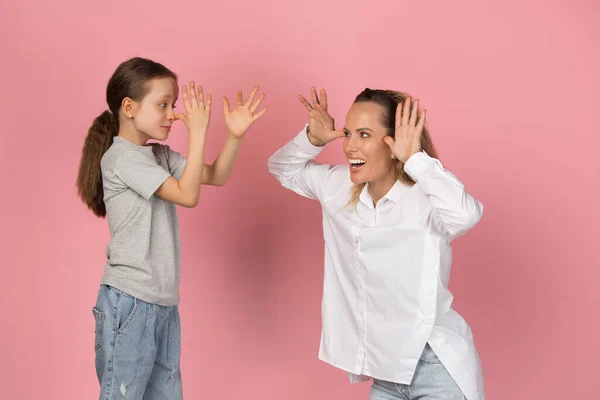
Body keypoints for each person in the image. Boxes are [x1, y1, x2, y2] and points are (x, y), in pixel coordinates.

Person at [267, 87, 484, 399]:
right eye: (348, 133)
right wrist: (312, 139)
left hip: (437, 365)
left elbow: (465, 215)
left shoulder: (426, 197)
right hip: (385, 371)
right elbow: (282, 168)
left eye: (364, 134)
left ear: (395, 143)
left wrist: (416, 160)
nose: (349, 146)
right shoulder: (337, 187)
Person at [76, 57, 267, 399]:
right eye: (162, 105)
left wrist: (234, 137)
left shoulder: (158, 156)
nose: (173, 115)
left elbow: (215, 176)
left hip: (162, 301)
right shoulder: (121, 158)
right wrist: (199, 133)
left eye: (173, 105)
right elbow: (187, 195)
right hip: (130, 300)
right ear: (129, 107)